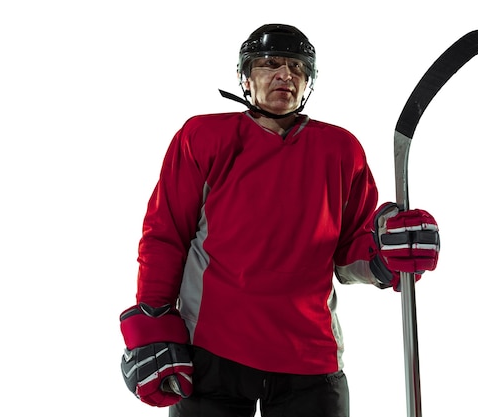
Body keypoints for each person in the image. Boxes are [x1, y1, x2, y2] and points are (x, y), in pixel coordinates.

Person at [119, 23, 440, 417]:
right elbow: (165, 236)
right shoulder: (202, 137)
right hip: (212, 353)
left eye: (297, 67)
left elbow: (349, 254)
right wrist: (152, 321)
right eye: (270, 63)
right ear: (245, 77)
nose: (285, 74)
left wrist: (385, 253)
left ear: (309, 82)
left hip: (310, 359)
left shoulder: (341, 150)